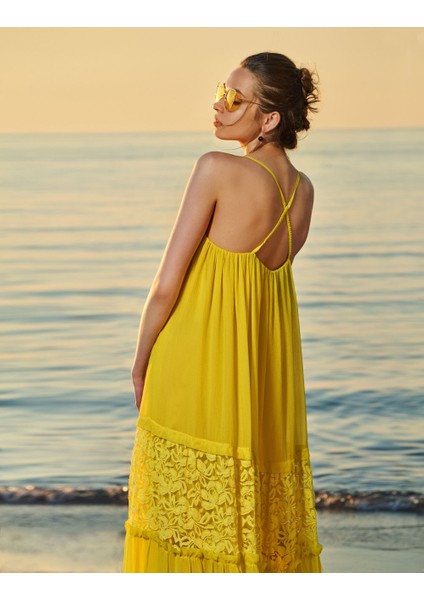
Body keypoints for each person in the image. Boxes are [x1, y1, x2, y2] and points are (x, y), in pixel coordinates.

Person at [123, 51, 323, 573]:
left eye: (234, 98)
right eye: (220, 91)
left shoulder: (216, 169)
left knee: (183, 520)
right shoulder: (303, 193)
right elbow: (258, 297)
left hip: (193, 366)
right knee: (248, 515)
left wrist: (140, 363)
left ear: (269, 119)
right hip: (256, 381)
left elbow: (166, 287)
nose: (218, 104)